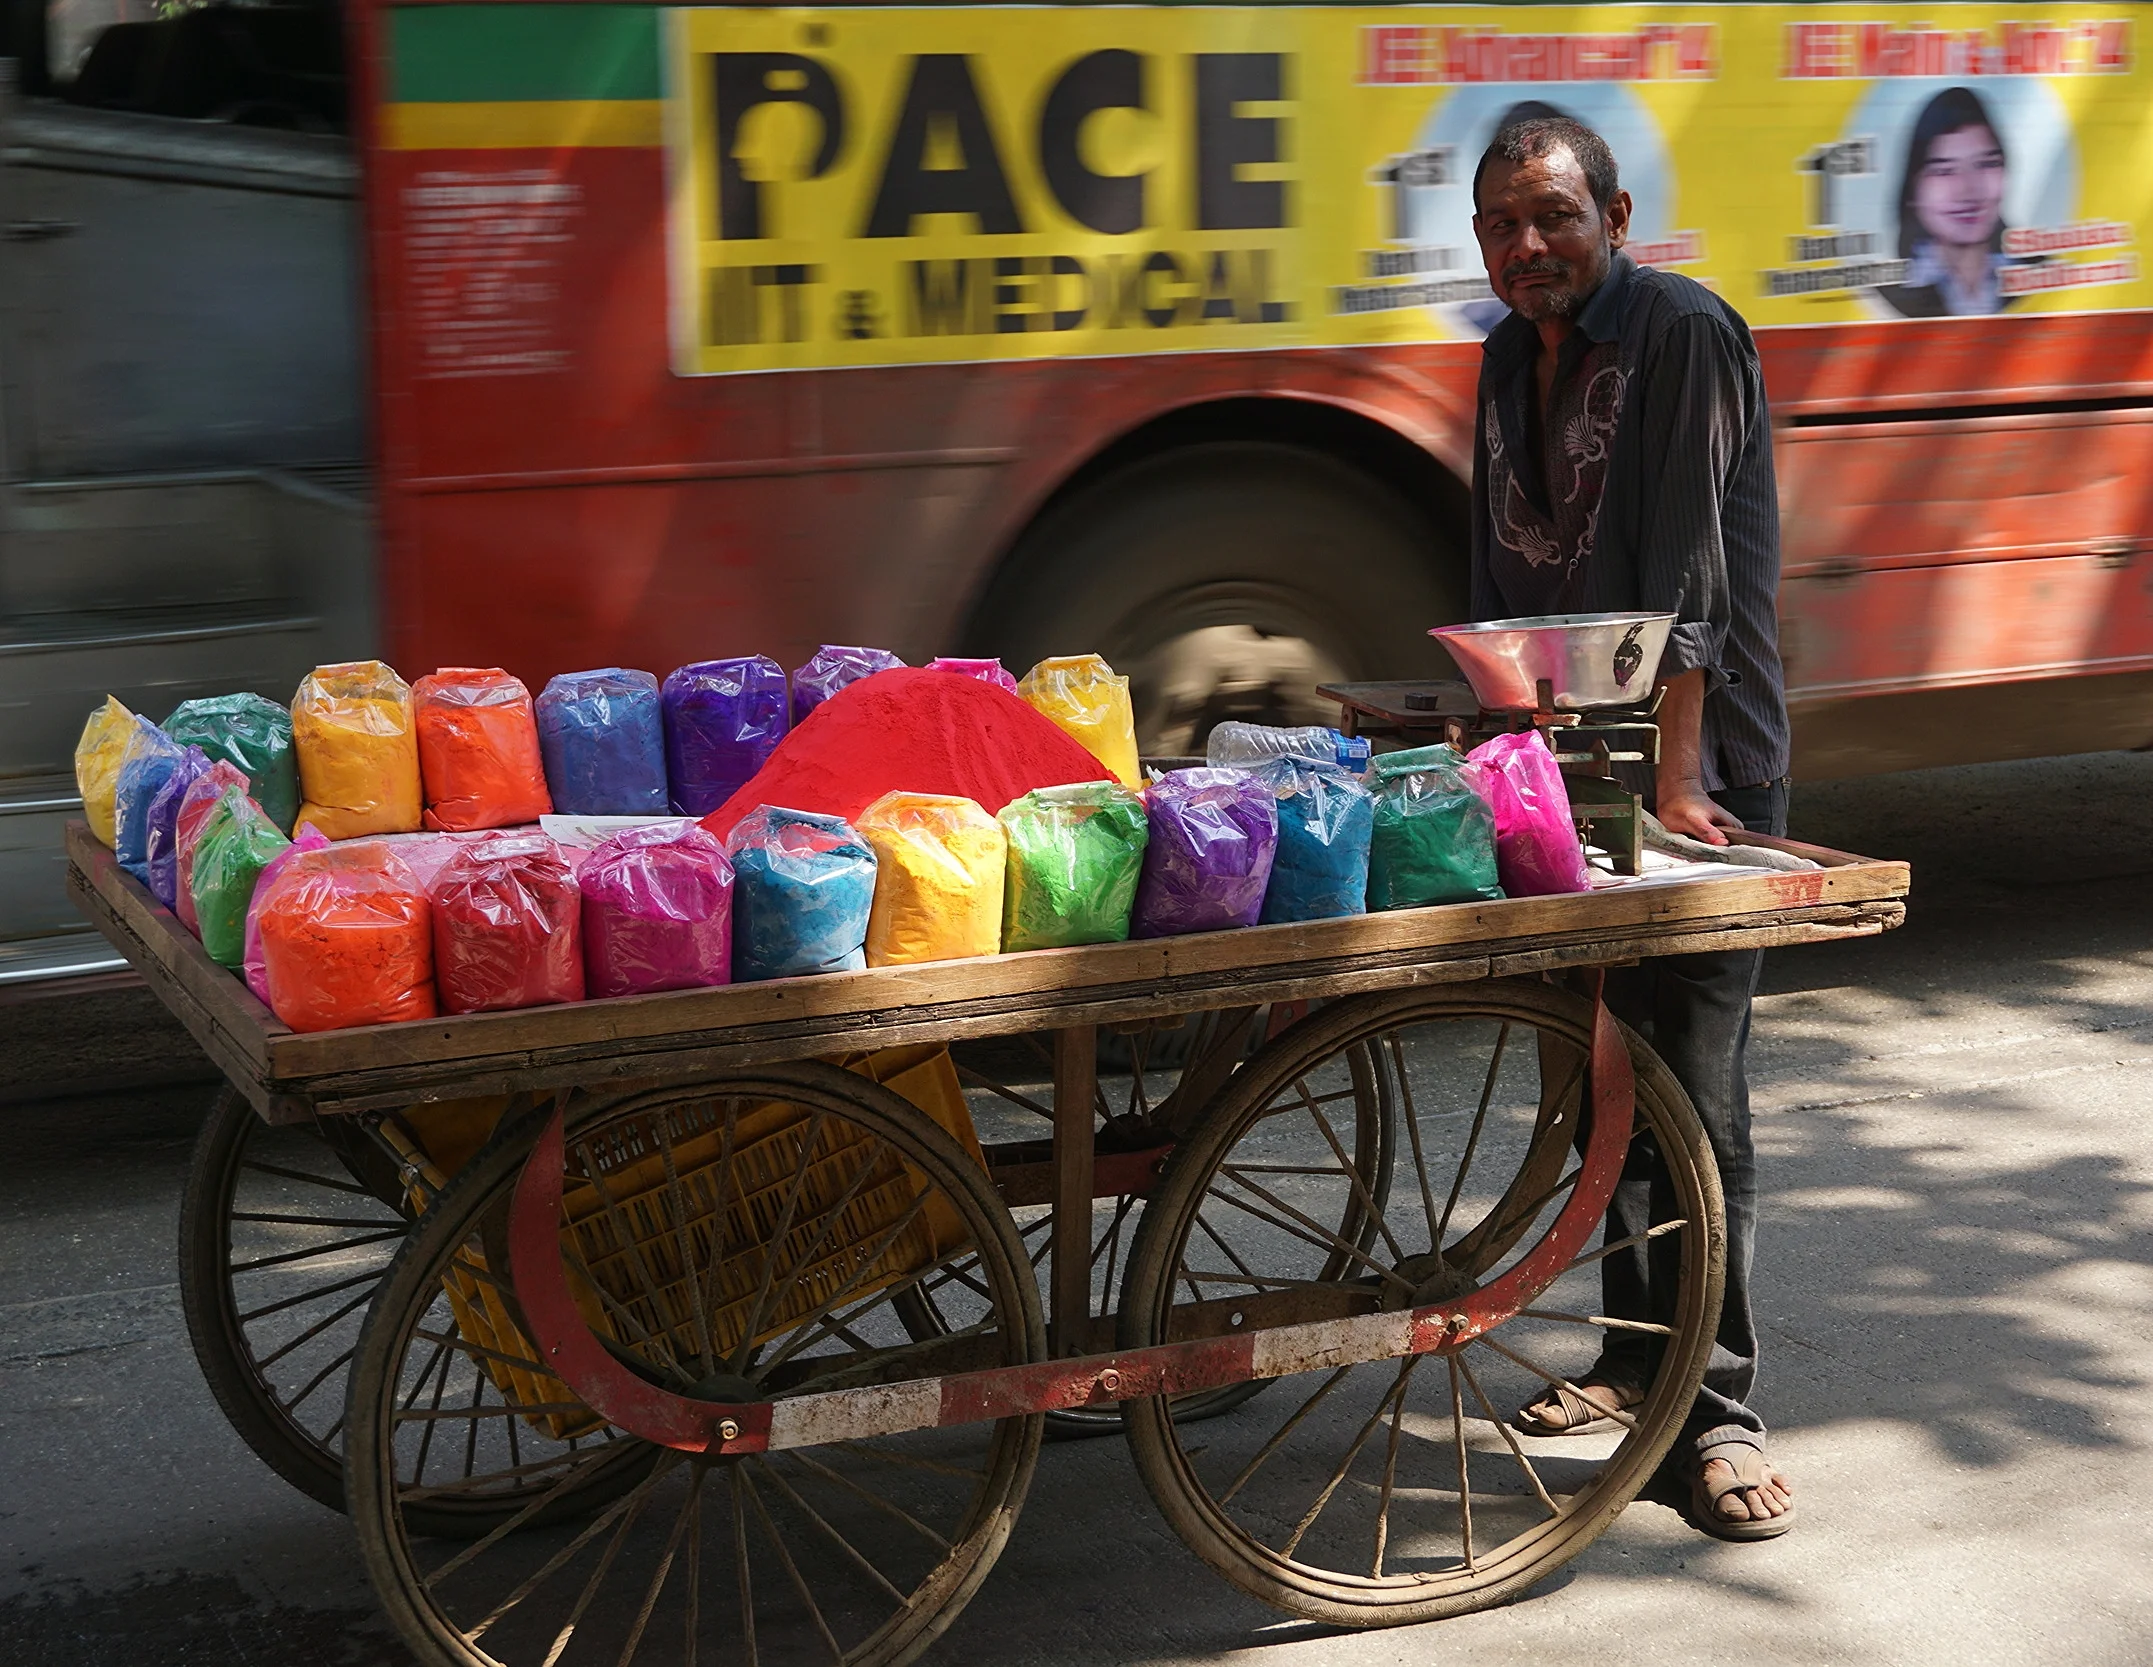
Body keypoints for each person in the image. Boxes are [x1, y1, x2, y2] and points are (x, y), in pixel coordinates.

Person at [1467, 115, 1795, 1540]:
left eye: (1550, 216)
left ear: (1610, 209)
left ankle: (1714, 1410)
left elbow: (1692, 568)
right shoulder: (1502, 353)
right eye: (1500, 225)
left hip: (1699, 766)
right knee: (1612, 1068)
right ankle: (1628, 1362)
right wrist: (1492, 752)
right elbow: (1498, 564)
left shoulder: (1682, 331)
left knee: (1696, 1087)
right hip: (1578, 764)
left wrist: (1674, 781)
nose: (1526, 248)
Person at [1879, 86, 2012, 317]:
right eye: (1944, 171)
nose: (1968, 190)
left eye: (1986, 164)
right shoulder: (1883, 296)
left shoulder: (2044, 277)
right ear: (1913, 190)